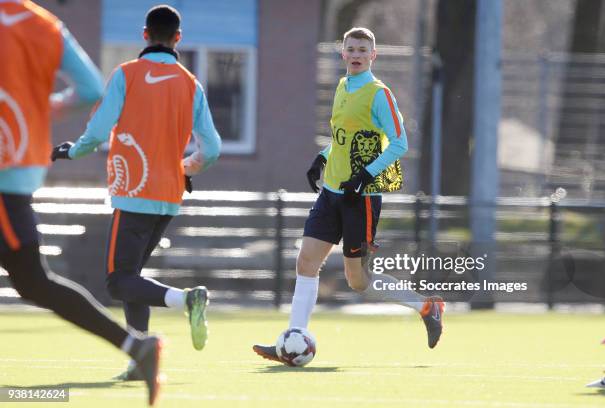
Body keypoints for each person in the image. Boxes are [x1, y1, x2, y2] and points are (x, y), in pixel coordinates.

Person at [0, 0, 161, 404]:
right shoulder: (43, 24)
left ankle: (135, 346)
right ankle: (135, 347)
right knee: (33, 281)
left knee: (33, 281)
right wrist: (48, 105)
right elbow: (90, 87)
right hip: (22, 163)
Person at [253, 27, 444, 364]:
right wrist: (323, 157)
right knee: (306, 262)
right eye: (351, 48)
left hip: (362, 196)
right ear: (342, 53)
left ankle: (427, 306)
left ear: (373, 56)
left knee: (357, 281)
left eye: (362, 49)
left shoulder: (378, 93)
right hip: (332, 192)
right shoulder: (343, 86)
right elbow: (345, 140)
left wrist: (365, 176)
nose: (356, 54)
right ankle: (293, 339)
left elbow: (399, 143)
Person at [51, 4, 221, 380]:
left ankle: (186, 298)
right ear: (178, 38)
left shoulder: (127, 74)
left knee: (117, 280)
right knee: (134, 278)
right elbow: (211, 149)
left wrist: (72, 150)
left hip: (133, 192)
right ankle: (140, 359)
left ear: (144, 35)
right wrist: (186, 167)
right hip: (169, 197)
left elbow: (97, 130)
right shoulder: (191, 83)